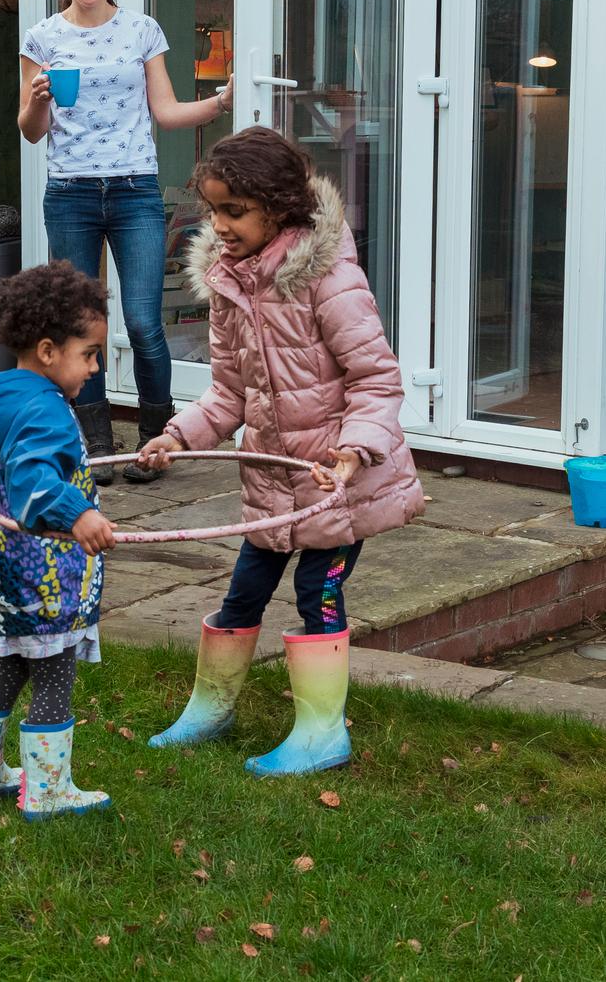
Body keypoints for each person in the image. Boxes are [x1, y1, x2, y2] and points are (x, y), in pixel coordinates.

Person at [134, 127, 424, 776]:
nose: (219, 224)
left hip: (333, 484)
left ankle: (322, 734)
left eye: (232, 211)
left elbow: (376, 379)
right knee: (241, 597)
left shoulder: (328, 279)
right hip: (271, 483)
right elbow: (229, 394)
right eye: (213, 210)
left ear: (277, 207)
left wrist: (352, 453)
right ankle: (211, 709)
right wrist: (178, 436)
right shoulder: (231, 283)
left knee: (316, 591)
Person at [19, 0, 229, 486]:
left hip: (135, 190)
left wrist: (219, 104)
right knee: (79, 323)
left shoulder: (142, 31)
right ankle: (96, 444)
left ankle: (156, 441)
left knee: (141, 321)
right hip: (71, 194)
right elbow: (31, 131)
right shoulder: (42, 38)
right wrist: (39, 100)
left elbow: (165, 111)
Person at [0, 260, 119, 820]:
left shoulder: (2, 394)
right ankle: (48, 790)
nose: (94, 367)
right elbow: (33, 481)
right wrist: (78, 513)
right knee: (55, 669)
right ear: (47, 351)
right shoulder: (48, 412)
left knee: (12, 664)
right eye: (88, 353)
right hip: (40, 566)